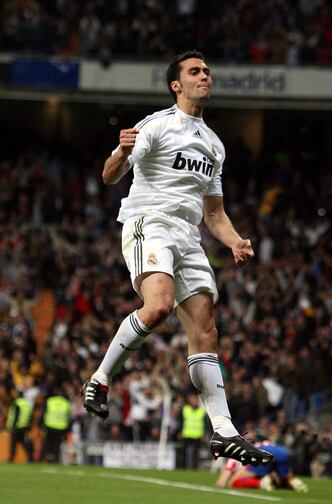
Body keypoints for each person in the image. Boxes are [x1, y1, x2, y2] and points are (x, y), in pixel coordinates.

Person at [82, 49, 273, 466]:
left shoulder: (214, 145)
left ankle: (223, 431)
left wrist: (235, 241)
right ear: (177, 84)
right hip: (149, 221)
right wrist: (118, 153)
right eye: (195, 71)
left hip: (189, 236)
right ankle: (100, 378)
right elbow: (111, 175)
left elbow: (215, 213)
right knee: (159, 307)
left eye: (207, 70)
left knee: (206, 330)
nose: (205, 76)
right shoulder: (157, 124)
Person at [215, 439, 309, 492]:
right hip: (281, 451)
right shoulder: (256, 443)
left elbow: (221, 483)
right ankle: (295, 482)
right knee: (281, 481)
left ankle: (261, 483)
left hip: (262, 455)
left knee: (233, 482)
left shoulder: (233, 457)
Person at [40, 388, 71, 463]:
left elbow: (43, 413)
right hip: (61, 427)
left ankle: (43, 458)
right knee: (57, 445)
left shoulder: (50, 401)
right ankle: (55, 459)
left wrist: (42, 425)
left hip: (49, 425)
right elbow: (68, 416)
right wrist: (67, 429)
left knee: (47, 443)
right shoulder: (66, 403)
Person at [179, 392, 206, 469]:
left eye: (195, 400)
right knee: (184, 452)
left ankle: (194, 468)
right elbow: (181, 421)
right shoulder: (185, 409)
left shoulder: (202, 411)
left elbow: (205, 424)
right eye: (192, 400)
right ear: (189, 401)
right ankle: (183, 468)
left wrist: (203, 434)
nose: (194, 401)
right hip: (186, 434)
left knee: (196, 454)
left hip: (198, 435)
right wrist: (179, 432)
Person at [6, 389, 33, 462]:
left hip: (17, 426)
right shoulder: (27, 403)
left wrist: (12, 426)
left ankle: (11, 458)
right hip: (25, 426)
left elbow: (15, 415)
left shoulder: (17, 403)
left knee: (13, 443)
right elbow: (30, 415)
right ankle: (30, 456)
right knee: (24, 443)